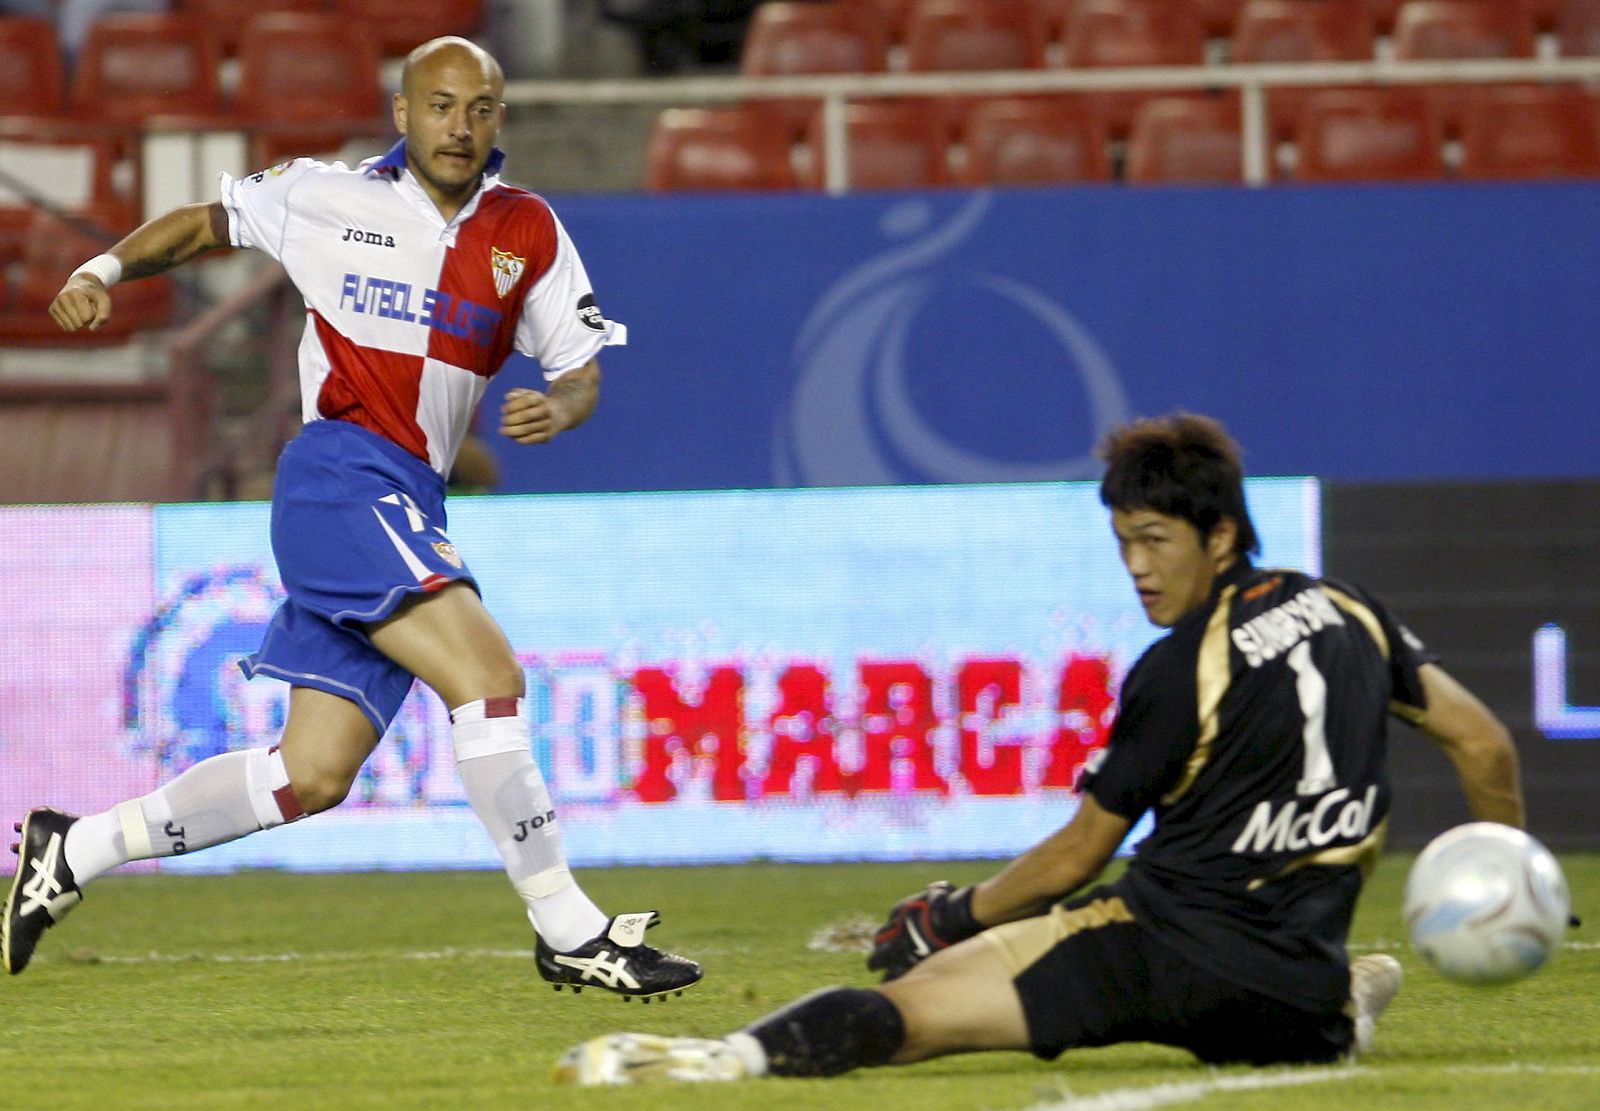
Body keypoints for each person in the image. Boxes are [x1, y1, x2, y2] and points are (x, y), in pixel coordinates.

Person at [4, 36, 702, 1001]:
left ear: (500, 120)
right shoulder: (326, 195)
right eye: (442, 105)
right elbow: (202, 224)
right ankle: (569, 928)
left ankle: (73, 848)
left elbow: (577, 366)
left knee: (310, 775)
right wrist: (101, 270)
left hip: (410, 493)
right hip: (340, 476)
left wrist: (564, 407)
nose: (461, 126)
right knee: (488, 676)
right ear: (405, 114)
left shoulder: (527, 232)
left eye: (481, 109)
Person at [552, 412, 1526, 1084]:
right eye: (1122, 544)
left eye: (1155, 540)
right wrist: (1506, 875)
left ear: (1220, 532)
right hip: (1289, 996)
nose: (1138, 568)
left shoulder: (1180, 665)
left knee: (919, 1006)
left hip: (1157, 950)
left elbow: (1077, 854)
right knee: (1302, 1019)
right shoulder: (1351, 608)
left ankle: (721, 1060)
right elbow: (1482, 746)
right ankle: (1346, 1007)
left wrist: (951, 913)